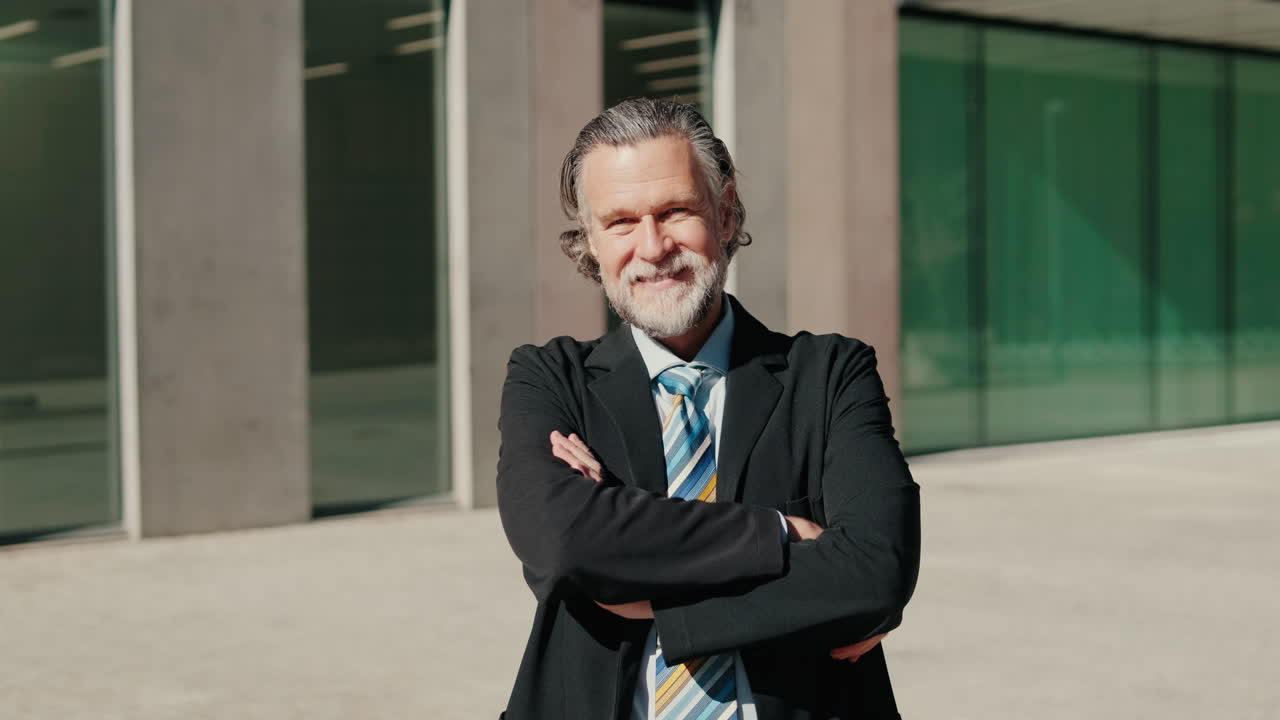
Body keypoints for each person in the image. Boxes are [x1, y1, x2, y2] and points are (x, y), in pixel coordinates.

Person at [496, 98, 920, 719]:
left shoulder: (830, 374)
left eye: (675, 211)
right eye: (620, 222)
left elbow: (875, 573)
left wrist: (649, 599)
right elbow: (563, 539)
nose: (653, 247)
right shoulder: (548, 378)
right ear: (590, 240)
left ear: (724, 214)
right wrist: (779, 534)